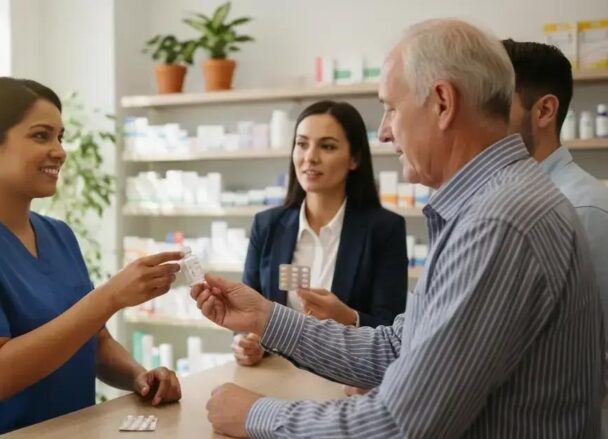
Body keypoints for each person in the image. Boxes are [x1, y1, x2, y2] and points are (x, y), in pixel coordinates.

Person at [191, 19, 603, 438]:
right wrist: (267, 317)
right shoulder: (487, 205)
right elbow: (396, 346)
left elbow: (397, 425)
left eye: (391, 108)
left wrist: (256, 415)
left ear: (442, 102)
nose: (385, 131)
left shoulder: (499, 222)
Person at [0, 77, 183, 438]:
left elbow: (96, 341)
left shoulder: (58, 235)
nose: (59, 150)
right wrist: (110, 296)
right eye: (41, 136)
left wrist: (139, 377)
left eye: (60, 136)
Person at [234, 100, 407, 368]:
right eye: (302, 144)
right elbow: (247, 313)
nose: (310, 157)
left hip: (345, 385)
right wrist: (247, 342)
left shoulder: (384, 229)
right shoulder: (266, 225)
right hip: (274, 381)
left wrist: (349, 318)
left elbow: (394, 331)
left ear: (355, 158)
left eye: (327, 146)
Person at [503, 37, 608, 364]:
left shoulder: (582, 210)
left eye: (497, 106)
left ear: (545, 111)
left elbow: (595, 357)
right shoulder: (501, 200)